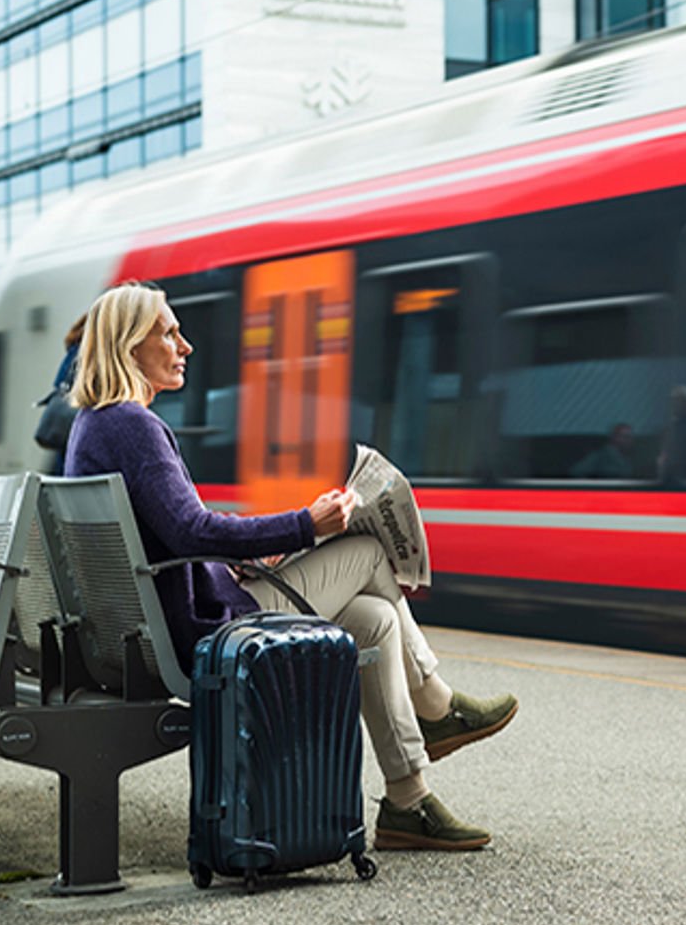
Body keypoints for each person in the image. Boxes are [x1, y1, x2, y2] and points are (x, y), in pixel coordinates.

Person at [65, 283, 516, 851]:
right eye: (169, 332)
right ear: (130, 345)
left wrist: (247, 554)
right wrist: (306, 525)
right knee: (369, 552)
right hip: (202, 630)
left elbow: (177, 525)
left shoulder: (95, 425)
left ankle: (408, 801)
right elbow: (191, 531)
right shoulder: (134, 426)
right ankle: (437, 704)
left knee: (373, 619)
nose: (186, 346)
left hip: (157, 622)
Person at [38, 313, 88, 475]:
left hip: (68, 436)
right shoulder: (85, 352)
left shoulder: (74, 350)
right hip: (78, 432)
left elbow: (59, 385)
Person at [569, 422, 635, 479]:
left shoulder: (627, 459)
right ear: (614, 437)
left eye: (630, 437)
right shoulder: (600, 456)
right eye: (625, 437)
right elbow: (576, 472)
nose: (628, 440)